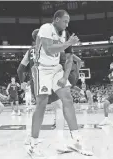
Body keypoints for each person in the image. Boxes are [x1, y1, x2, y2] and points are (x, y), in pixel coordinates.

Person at [28, 9, 93, 157]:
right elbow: (49, 49)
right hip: (42, 69)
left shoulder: (66, 35)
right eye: (65, 21)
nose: (67, 24)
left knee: (68, 98)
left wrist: (64, 76)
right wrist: (68, 43)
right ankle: (33, 143)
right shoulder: (46, 28)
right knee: (42, 104)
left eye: (68, 21)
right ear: (56, 19)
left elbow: (69, 58)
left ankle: (76, 140)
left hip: (56, 69)